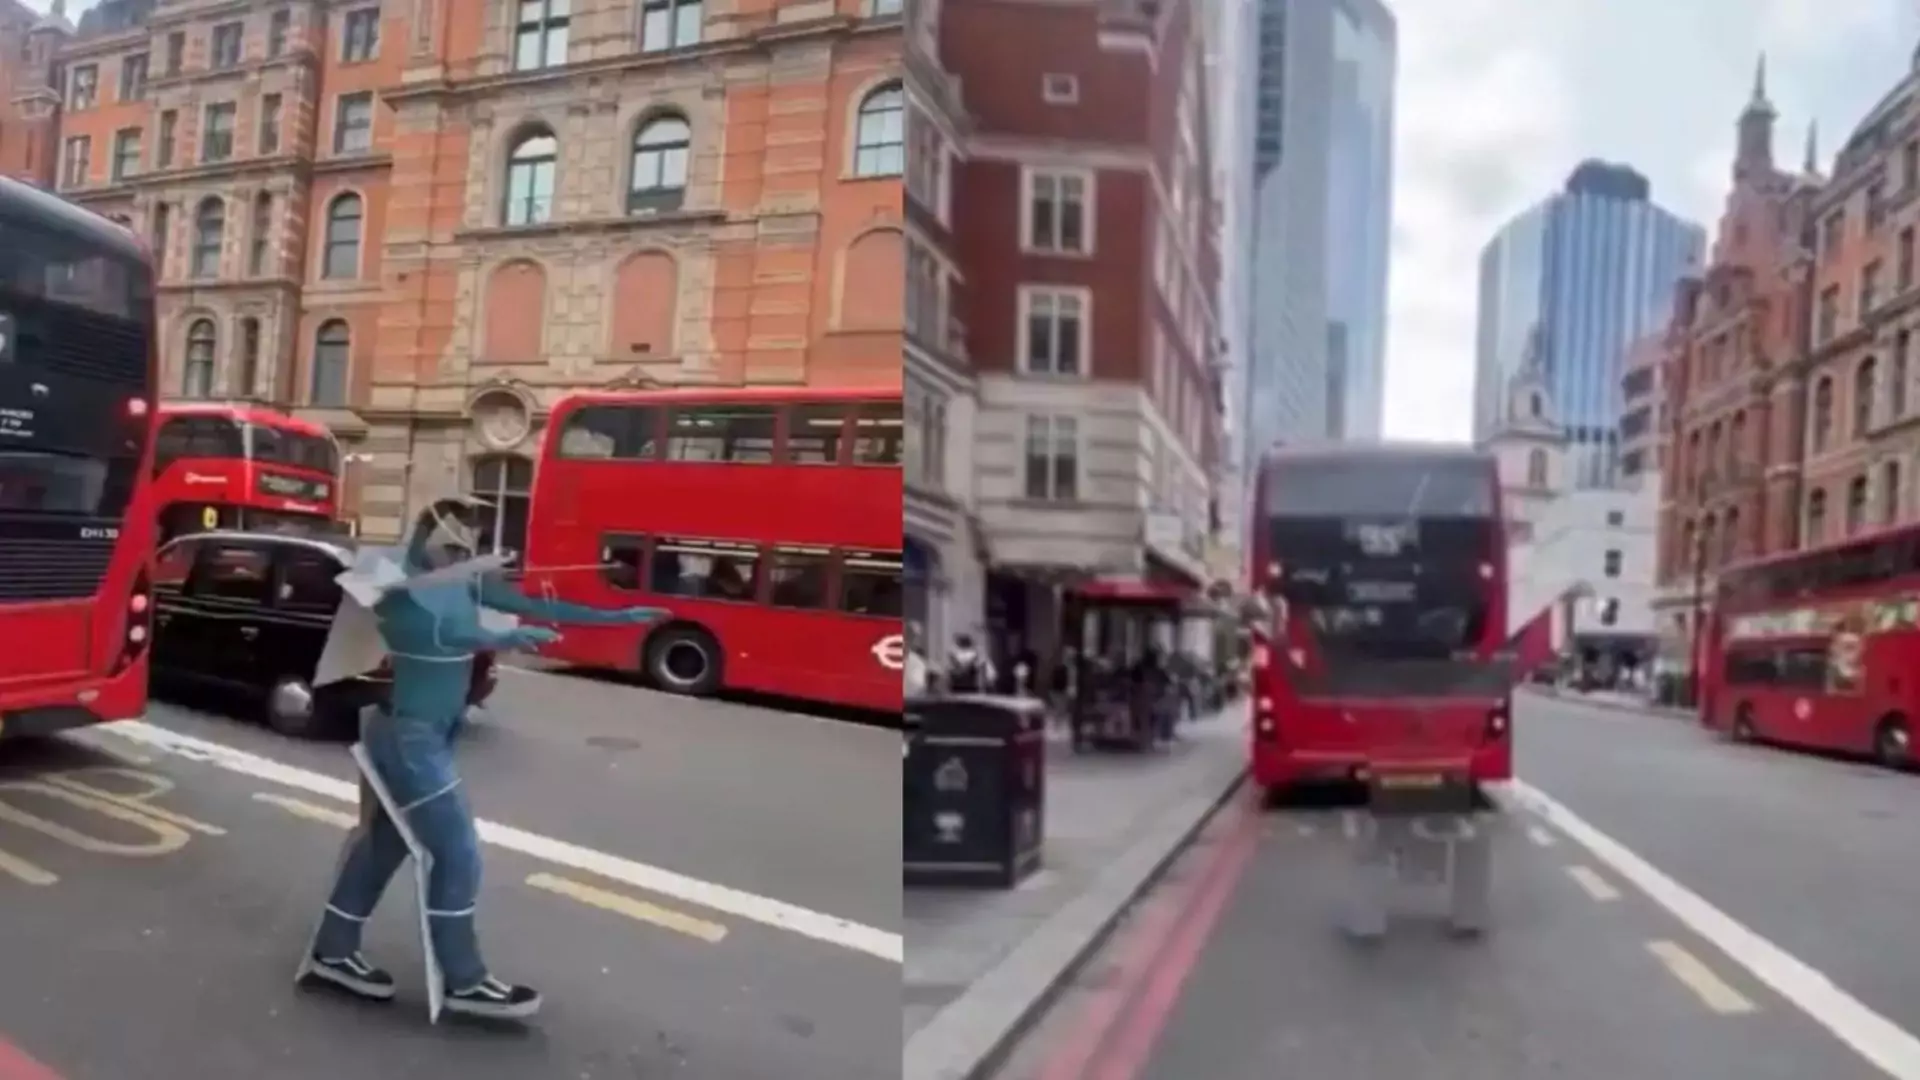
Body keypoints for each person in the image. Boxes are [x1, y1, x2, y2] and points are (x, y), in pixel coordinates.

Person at [299, 496, 665, 1020]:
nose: (459, 555)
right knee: (457, 851)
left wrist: (617, 616)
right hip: (409, 733)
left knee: (387, 843)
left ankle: (333, 948)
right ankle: (464, 978)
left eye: (468, 545)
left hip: (434, 729)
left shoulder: (458, 574)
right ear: (426, 530)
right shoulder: (388, 579)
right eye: (451, 543)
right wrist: (504, 636)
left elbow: (539, 606)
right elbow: (439, 632)